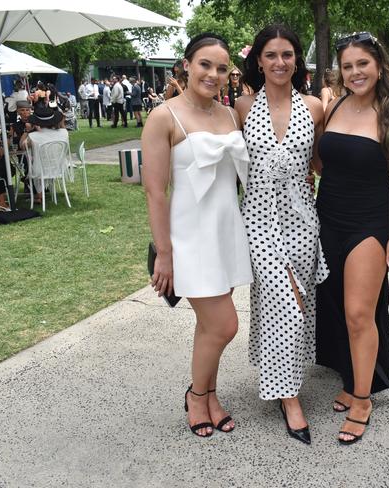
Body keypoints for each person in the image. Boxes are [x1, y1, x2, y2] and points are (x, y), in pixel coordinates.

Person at [142, 32, 253, 438]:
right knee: (224, 326)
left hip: (225, 233)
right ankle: (196, 394)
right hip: (189, 238)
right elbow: (155, 191)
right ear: (186, 65)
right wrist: (165, 254)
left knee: (209, 327)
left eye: (222, 68)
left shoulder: (229, 115)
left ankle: (209, 395)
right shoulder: (163, 116)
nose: (213, 73)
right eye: (205, 64)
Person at [314, 31, 389, 446]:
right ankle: (351, 375)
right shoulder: (334, 104)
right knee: (337, 306)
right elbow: (322, 161)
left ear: (379, 66)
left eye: (363, 64)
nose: (355, 72)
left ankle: (363, 399)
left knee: (360, 312)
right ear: (340, 71)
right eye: (348, 66)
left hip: (369, 224)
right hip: (327, 218)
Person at [236, 24, 328, 446]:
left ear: (297, 60)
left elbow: (323, 164)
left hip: (302, 222)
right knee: (283, 304)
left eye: (287, 54)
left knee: (297, 307)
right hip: (257, 221)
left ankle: (281, 379)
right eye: (270, 55)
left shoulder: (313, 107)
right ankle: (290, 399)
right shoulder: (240, 107)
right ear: (258, 60)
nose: (279, 62)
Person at [24, 106, 70, 205]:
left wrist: (27, 131)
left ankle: (39, 195)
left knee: (32, 166)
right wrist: (62, 124)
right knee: (36, 165)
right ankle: (40, 195)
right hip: (60, 167)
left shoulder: (33, 136)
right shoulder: (64, 133)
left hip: (40, 170)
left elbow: (22, 146)